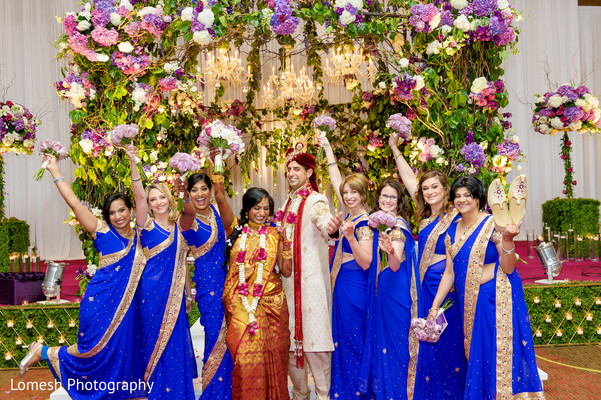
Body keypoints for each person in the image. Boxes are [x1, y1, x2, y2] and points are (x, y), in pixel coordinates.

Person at [18, 153, 146, 399]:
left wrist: (133, 162)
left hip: (129, 307)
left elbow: (141, 196)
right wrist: (55, 171)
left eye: (122, 210)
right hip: (100, 304)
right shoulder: (102, 232)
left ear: (131, 210)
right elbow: (75, 204)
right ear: (106, 216)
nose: (118, 216)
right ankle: (43, 351)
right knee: (92, 351)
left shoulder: (142, 236)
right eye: (112, 212)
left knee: (123, 351)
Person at [429, 176, 545, 399]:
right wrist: (435, 307)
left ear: (478, 199)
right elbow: (449, 273)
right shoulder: (451, 231)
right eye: (458, 195)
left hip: (492, 299)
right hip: (468, 302)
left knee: (495, 355)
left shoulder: (492, 224)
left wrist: (509, 240)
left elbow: (508, 267)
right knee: (477, 355)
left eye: (468, 195)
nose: (462, 200)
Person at [390, 135, 467, 399]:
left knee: (448, 344)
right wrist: (394, 150)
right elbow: (411, 181)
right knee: (428, 344)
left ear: (446, 189)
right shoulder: (425, 217)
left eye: (435, 187)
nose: (430, 192)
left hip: (446, 289)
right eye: (426, 189)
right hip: (424, 287)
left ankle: (453, 394)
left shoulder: (456, 215)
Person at [125, 145, 198, 399]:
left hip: (176, 294)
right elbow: (138, 197)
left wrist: (188, 293)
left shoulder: (181, 226)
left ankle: (177, 392)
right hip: (151, 295)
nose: (157, 202)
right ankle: (156, 391)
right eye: (153, 198)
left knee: (174, 343)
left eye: (161, 197)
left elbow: (183, 264)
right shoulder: (146, 224)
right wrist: (134, 163)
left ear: (169, 198)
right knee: (153, 341)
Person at [278, 143, 342, 400]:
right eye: (289, 169)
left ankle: (324, 396)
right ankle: (300, 395)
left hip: (310, 284)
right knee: (292, 344)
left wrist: (333, 228)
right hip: (288, 285)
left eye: (297, 169)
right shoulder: (287, 203)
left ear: (308, 173)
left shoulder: (316, 199)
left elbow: (323, 221)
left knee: (315, 341)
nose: (291, 173)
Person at [220, 186, 292, 399]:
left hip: (272, 305)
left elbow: (286, 271)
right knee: (245, 358)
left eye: (266, 208)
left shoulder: (273, 234)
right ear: (246, 210)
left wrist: (286, 241)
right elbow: (234, 275)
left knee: (276, 358)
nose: (261, 213)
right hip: (242, 304)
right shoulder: (236, 233)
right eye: (256, 208)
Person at [321, 137, 375, 399]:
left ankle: (357, 392)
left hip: (355, 288)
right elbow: (336, 179)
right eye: (345, 193)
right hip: (343, 286)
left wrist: (351, 237)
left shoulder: (363, 223)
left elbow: (365, 261)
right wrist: (328, 148)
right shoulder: (351, 216)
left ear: (363, 194)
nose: (349, 196)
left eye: (354, 192)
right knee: (345, 341)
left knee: (354, 341)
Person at [178, 173, 233, 400]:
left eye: (204, 189)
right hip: (208, 286)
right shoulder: (187, 219)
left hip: (229, 283)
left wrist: (220, 195)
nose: (200, 194)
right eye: (194, 190)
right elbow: (187, 211)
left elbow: (230, 225)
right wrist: (181, 196)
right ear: (188, 194)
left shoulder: (215, 212)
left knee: (230, 338)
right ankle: (213, 394)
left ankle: (229, 391)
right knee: (214, 336)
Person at [369, 179, 419, 400]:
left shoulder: (398, 227)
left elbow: (395, 263)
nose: (387, 200)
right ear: (378, 198)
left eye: (392, 197)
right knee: (388, 344)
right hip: (387, 289)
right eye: (384, 196)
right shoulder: (383, 225)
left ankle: (399, 394)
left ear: (398, 202)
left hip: (396, 291)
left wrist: (389, 249)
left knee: (398, 345)